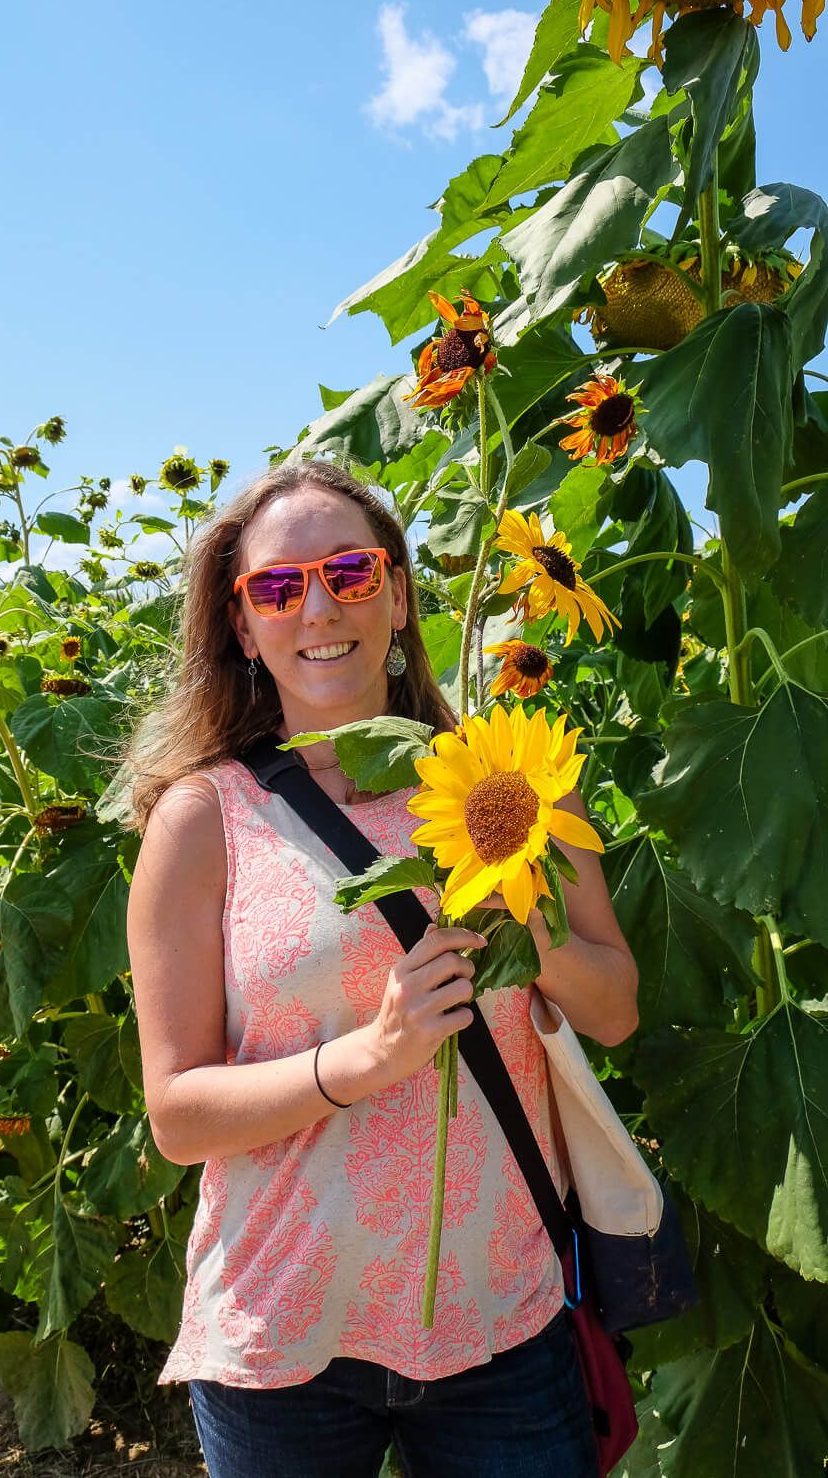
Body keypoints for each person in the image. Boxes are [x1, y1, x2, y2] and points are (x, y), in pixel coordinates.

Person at [123, 461, 639, 1478]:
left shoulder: (513, 775)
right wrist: (365, 1059)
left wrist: (525, 931)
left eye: (350, 572)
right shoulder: (202, 821)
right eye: (277, 586)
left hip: (499, 1312)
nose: (317, 606)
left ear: (399, 595)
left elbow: (614, 1009)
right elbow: (177, 1114)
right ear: (241, 624)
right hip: (283, 1330)